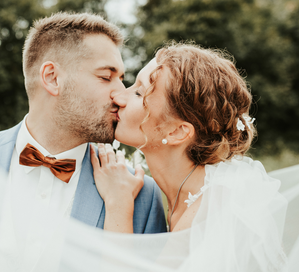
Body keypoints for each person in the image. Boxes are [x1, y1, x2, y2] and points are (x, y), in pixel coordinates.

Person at [0, 12, 167, 272]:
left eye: (121, 79)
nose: (121, 95)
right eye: (106, 77)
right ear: (52, 78)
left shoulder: (141, 195)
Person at [89, 42, 288, 270]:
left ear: (176, 132)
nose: (118, 98)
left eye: (138, 92)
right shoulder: (190, 194)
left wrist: (119, 203)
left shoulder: (212, 212)